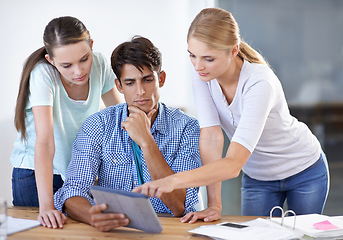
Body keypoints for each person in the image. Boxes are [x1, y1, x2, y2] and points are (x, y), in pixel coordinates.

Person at [133, 7, 330, 223]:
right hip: (258, 178)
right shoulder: (202, 74)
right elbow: (211, 137)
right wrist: (214, 204)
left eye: (208, 58)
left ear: (233, 51)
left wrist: (172, 181)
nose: (198, 65)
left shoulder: (259, 82)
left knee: (302, 235)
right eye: (192, 55)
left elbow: (233, 163)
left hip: (303, 169)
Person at [54, 36, 201, 232]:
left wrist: (147, 142)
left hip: (171, 231)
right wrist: (92, 216)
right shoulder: (98, 125)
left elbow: (179, 206)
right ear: (119, 86)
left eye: (148, 80)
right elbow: (73, 190)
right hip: (116, 230)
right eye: (130, 83)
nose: (140, 91)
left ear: (161, 79)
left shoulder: (187, 127)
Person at [10, 16, 121, 229]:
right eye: (66, 65)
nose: (78, 71)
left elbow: (119, 119)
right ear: (51, 61)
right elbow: (44, 142)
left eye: (84, 59)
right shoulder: (43, 74)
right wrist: (46, 206)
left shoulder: (100, 64)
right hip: (36, 175)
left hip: (75, 174)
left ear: (91, 46)